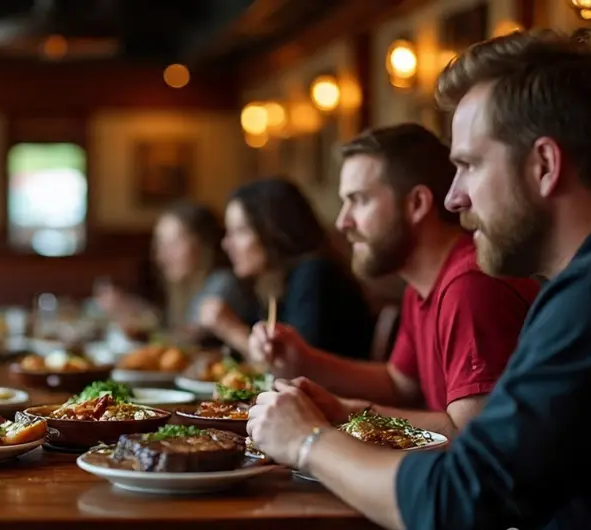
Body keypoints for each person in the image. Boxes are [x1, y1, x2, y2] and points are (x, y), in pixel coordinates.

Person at [247, 29, 591, 530]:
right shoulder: (571, 290)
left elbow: (460, 497)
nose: (453, 198)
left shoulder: (586, 298)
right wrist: (348, 414)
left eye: (469, 165)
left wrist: (309, 441)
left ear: (544, 165)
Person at [247, 124, 540, 437]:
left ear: (416, 204)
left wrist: (347, 413)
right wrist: (306, 360)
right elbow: (399, 382)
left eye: (358, 200)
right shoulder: (423, 282)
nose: (342, 221)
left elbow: (471, 432)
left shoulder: (469, 286)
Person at [216, 178, 374, 359]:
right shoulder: (271, 282)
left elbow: (294, 364)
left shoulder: (315, 274)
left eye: (240, 231)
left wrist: (229, 328)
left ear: (273, 232)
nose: (226, 244)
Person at [95, 200, 259, 347]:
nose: (162, 255)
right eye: (160, 244)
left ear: (202, 245)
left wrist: (139, 323)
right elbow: (174, 329)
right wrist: (132, 309)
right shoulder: (185, 287)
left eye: (174, 243)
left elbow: (187, 340)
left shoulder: (222, 283)